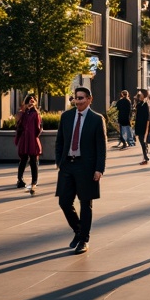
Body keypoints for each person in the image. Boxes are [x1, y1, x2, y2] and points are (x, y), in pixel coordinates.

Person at [55, 86, 107, 255]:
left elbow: (101, 147)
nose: (78, 101)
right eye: (76, 98)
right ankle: (78, 230)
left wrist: (99, 169)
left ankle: (84, 239)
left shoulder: (97, 119)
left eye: (81, 98)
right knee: (64, 202)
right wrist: (59, 162)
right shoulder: (66, 117)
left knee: (86, 203)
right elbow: (60, 141)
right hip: (67, 165)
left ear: (89, 99)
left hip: (86, 166)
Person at [14, 94, 42, 194]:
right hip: (26, 138)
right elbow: (18, 125)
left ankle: (32, 180)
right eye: (30, 100)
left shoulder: (34, 113)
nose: (32, 101)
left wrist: (33, 136)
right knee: (25, 160)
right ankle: (21, 180)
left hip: (30, 139)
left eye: (33, 100)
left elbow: (38, 128)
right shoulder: (25, 113)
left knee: (32, 160)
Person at [134, 89, 150, 164]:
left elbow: (148, 118)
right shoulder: (139, 104)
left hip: (144, 126)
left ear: (144, 95)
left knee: (143, 142)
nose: (139, 94)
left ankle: (145, 157)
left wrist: (147, 129)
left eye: (140, 93)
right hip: (139, 125)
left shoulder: (145, 105)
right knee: (142, 142)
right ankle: (145, 156)